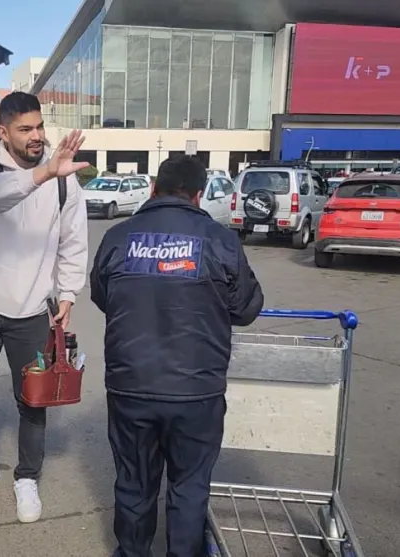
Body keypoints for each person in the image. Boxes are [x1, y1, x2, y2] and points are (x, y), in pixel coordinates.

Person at [90, 155, 264, 557]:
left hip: (131, 385)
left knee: (134, 482)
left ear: (154, 188)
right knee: (189, 486)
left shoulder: (119, 237)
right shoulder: (219, 239)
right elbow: (247, 308)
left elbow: (104, 297)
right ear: (199, 195)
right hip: (196, 390)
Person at [0, 91, 88, 523]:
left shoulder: (66, 181)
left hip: (33, 309)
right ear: (3, 131)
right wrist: (44, 173)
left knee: (33, 399)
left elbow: (74, 241)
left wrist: (67, 294)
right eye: (25, 129)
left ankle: (27, 477)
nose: (36, 136)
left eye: (39, 127)